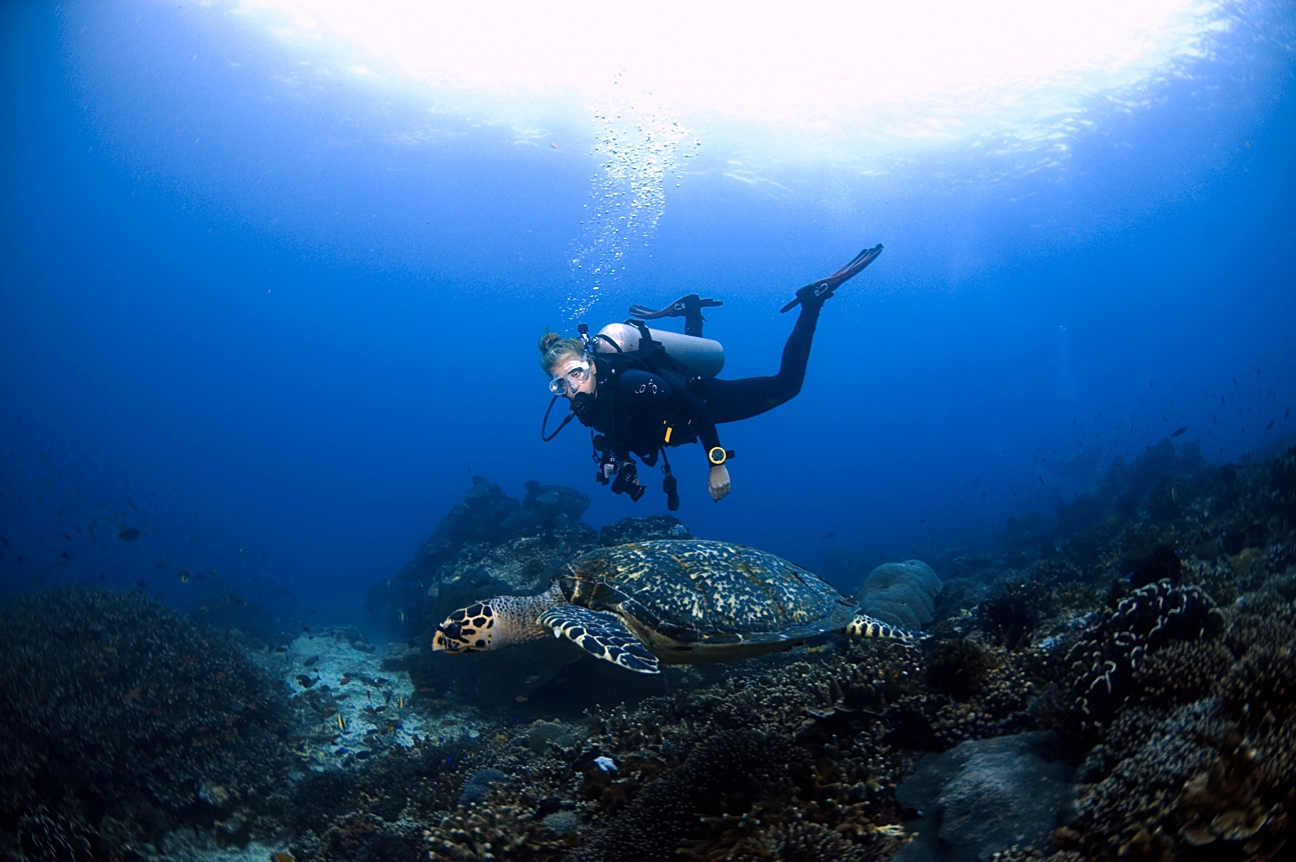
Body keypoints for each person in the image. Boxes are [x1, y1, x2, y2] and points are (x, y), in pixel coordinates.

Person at [540, 244, 882, 505]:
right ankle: (691, 312)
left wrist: (716, 463)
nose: (573, 387)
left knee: (787, 386)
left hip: (705, 398)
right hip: (676, 390)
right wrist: (620, 460)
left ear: (592, 363)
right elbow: (621, 427)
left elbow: (696, 408)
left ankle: (812, 302)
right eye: (561, 384)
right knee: (683, 367)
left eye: (577, 373)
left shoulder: (632, 384)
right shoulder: (588, 399)